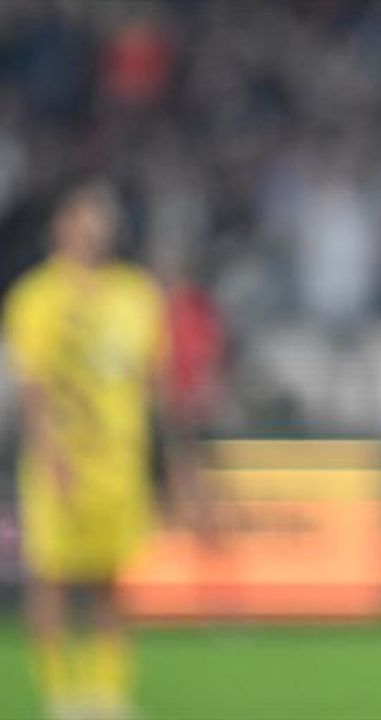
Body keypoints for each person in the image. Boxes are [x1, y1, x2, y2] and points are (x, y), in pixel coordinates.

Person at [4, 178, 188, 720]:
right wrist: (50, 455)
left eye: (104, 214)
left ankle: (106, 695)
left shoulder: (136, 294)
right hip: (62, 459)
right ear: (60, 223)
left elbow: (156, 388)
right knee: (52, 578)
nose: (98, 224)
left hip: (119, 462)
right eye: (87, 213)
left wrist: (174, 461)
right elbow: (33, 389)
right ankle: (59, 694)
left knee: (112, 579)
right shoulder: (35, 297)